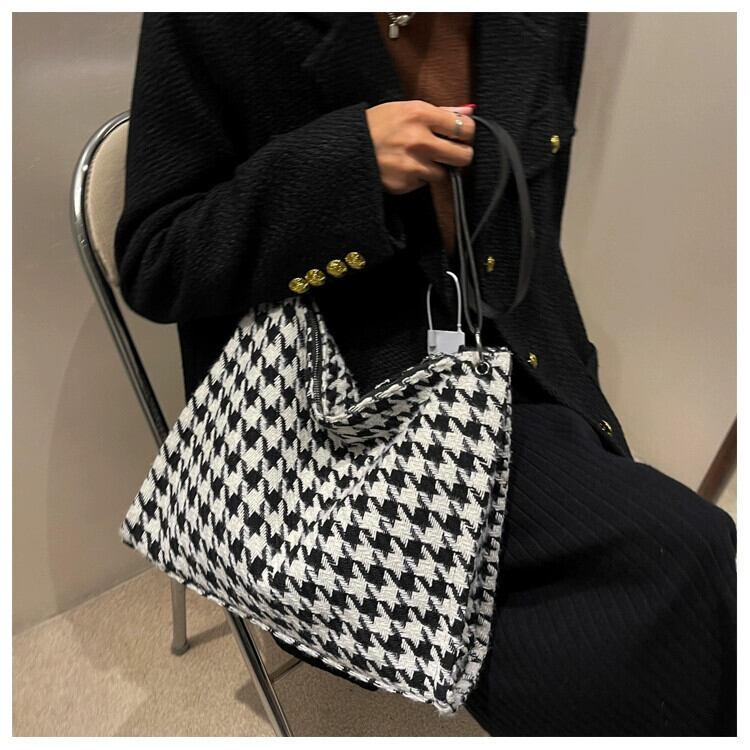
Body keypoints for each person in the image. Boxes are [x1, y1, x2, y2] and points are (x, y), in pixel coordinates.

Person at [114, 12, 737, 736]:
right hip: (337, 435)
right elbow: (157, 261)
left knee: (680, 573)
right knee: (670, 577)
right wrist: (348, 166)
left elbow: (534, 228)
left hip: (509, 373)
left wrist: (573, 388)